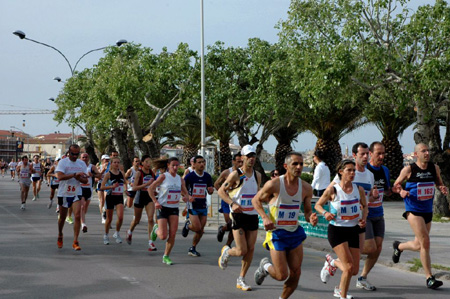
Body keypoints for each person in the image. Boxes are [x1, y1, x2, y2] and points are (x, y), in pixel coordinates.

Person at [252, 152, 318, 299]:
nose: (299, 167)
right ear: (286, 166)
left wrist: (311, 217)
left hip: (294, 233)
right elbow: (255, 200)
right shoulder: (274, 184)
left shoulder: (306, 188)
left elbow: (307, 212)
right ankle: (265, 267)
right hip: (277, 234)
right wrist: (265, 217)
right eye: (295, 164)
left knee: (296, 273)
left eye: (301, 164)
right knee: (282, 275)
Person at [392, 143, 448, 289]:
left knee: (419, 245)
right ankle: (429, 278)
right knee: (426, 242)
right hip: (413, 210)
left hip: (427, 210)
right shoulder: (409, 169)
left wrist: (441, 187)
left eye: (428, 150)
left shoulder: (434, 168)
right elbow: (396, 185)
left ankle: (399, 246)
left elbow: (438, 182)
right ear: (416, 154)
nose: (427, 153)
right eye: (423, 151)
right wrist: (401, 191)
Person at [315, 159, 368, 299]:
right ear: (341, 172)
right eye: (349, 170)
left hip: (353, 230)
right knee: (349, 267)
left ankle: (332, 263)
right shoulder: (333, 190)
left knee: (354, 270)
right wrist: (325, 213)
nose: (352, 173)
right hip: (337, 231)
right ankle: (342, 296)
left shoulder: (359, 189)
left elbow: (365, 206)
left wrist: (364, 219)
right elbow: (318, 205)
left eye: (353, 170)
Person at [218, 144, 262, 291]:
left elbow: (257, 195)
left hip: (253, 215)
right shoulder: (237, 175)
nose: (251, 158)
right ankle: (227, 252)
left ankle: (241, 279)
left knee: (251, 249)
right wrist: (232, 203)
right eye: (248, 156)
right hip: (239, 216)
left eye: (253, 156)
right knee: (241, 250)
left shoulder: (257, 175)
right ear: (242, 158)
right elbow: (221, 191)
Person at [356, 142, 391, 291]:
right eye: (379, 154)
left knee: (377, 248)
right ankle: (340, 258)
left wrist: (395, 190)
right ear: (370, 153)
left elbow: (387, 191)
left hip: (379, 214)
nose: (382, 156)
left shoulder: (384, 170)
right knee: (370, 247)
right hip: (366, 215)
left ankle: (362, 278)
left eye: (383, 153)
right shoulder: (366, 171)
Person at [149, 157, 189, 265]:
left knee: (173, 234)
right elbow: (150, 189)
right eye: (173, 165)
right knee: (162, 236)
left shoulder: (180, 179)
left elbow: (185, 192)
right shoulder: (163, 177)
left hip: (174, 208)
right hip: (163, 207)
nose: (175, 168)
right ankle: (156, 229)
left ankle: (166, 256)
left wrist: (186, 198)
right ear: (168, 166)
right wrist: (155, 201)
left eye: (177, 165)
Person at [55, 144, 88, 250]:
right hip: (63, 193)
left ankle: (75, 241)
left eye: (77, 154)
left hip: (76, 192)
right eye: (73, 153)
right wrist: (74, 175)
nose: (74, 156)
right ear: (68, 152)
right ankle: (60, 234)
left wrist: (79, 178)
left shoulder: (81, 163)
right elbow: (60, 177)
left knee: (77, 215)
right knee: (62, 218)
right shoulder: (63, 162)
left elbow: (85, 180)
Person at [181, 155, 214, 257]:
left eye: (203, 162)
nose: (202, 164)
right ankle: (188, 225)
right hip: (192, 205)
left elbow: (210, 190)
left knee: (201, 231)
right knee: (197, 227)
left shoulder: (207, 176)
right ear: (194, 164)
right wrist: (188, 196)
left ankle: (193, 248)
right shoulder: (190, 177)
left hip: (203, 205)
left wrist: (210, 190)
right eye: (199, 162)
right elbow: (182, 189)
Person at [126, 155, 157, 251]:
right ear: (142, 163)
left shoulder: (152, 173)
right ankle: (130, 231)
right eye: (147, 162)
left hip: (149, 197)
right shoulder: (139, 173)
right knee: (137, 220)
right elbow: (134, 188)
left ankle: (150, 242)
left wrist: (154, 190)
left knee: (151, 219)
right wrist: (146, 185)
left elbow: (154, 184)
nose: (149, 164)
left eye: (150, 162)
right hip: (140, 196)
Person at [214, 153, 243, 246]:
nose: (240, 164)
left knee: (235, 224)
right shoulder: (227, 172)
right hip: (227, 202)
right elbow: (216, 184)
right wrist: (224, 194)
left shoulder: (242, 174)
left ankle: (228, 244)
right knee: (230, 223)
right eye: (238, 161)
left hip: (237, 202)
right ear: (233, 161)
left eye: (242, 162)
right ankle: (222, 229)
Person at [100, 156, 127, 245]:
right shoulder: (108, 174)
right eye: (114, 162)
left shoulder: (122, 173)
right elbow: (102, 187)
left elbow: (125, 182)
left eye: (118, 162)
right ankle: (106, 235)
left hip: (119, 197)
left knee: (120, 217)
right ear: (111, 164)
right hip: (110, 196)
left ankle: (117, 233)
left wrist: (126, 189)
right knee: (109, 218)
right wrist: (111, 187)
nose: (116, 164)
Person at [79, 153, 101, 233]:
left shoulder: (92, 167)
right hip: (80, 188)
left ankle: (81, 218)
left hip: (89, 189)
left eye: (86, 157)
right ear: (80, 158)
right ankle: (83, 224)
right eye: (83, 157)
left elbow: (99, 175)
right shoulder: (78, 167)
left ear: (88, 158)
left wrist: (93, 175)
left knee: (85, 208)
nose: (84, 158)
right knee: (82, 206)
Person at [97, 154, 111, 224]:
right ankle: (102, 216)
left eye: (108, 159)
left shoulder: (111, 167)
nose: (107, 161)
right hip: (100, 184)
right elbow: (97, 178)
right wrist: (103, 170)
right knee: (101, 201)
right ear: (102, 160)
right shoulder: (99, 167)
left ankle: (105, 213)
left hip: (107, 185)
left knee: (106, 200)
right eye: (106, 159)